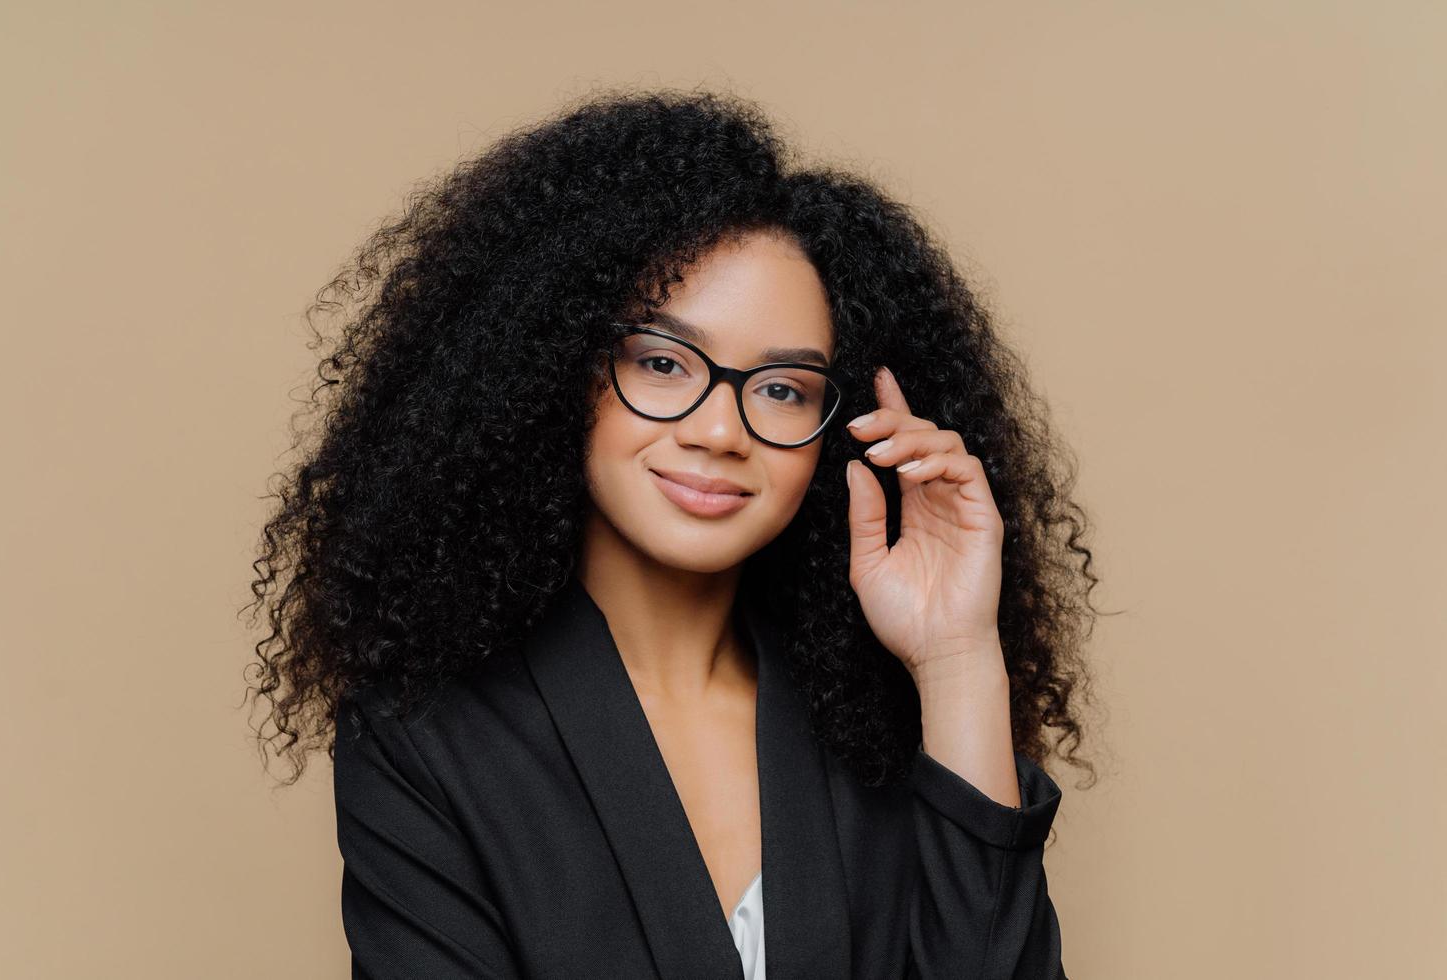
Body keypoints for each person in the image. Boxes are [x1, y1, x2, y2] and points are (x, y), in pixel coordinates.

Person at [245, 87, 1100, 979]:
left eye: (782, 389)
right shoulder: (427, 738)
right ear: (558, 363)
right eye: (662, 362)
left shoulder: (879, 726)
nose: (720, 431)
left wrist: (958, 657)